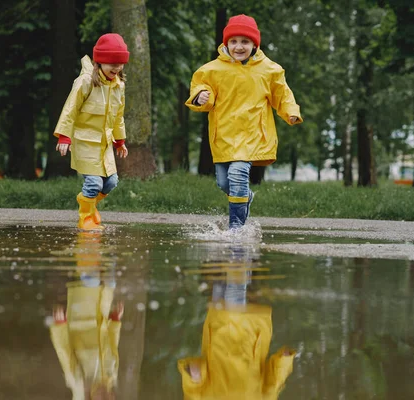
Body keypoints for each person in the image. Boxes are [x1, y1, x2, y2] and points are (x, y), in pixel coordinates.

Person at [185, 14, 303, 230]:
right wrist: (202, 95)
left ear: (254, 44)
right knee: (224, 183)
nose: (239, 47)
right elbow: (201, 87)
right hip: (223, 135)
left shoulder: (270, 70)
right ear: (226, 43)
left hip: (252, 134)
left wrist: (291, 111)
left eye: (245, 42)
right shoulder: (212, 69)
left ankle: (236, 229)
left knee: (238, 174)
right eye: (234, 41)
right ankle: (245, 197)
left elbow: (282, 94)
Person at [178, 243, 296, 399]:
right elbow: (273, 384)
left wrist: (193, 375)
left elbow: (193, 391)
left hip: (218, 331)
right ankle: (239, 243)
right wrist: (284, 360)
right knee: (236, 285)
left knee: (220, 282)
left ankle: (226, 243)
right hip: (247, 338)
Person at [54, 33, 130, 231]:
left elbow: (118, 115)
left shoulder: (118, 86)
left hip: (104, 143)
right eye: (112, 63)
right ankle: (86, 218)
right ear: (100, 61)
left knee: (111, 182)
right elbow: (70, 108)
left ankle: (87, 203)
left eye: (120, 63)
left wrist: (120, 141)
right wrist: (64, 136)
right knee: (94, 183)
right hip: (85, 141)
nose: (117, 68)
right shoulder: (85, 82)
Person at [50, 231, 123, 399]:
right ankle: (104, 237)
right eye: (110, 398)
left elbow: (64, 352)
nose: (108, 396)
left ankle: (87, 236)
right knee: (110, 276)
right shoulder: (111, 377)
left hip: (81, 316)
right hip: (102, 311)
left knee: (91, 279)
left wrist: (59, 325)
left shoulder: (79, 381)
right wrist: (115, 321)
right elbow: (113, 345)